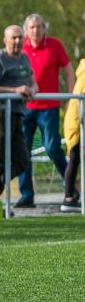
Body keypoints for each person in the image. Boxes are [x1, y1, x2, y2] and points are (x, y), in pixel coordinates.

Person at [16, 13, 74, 208]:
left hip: (49, 106)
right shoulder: (19, 46)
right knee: (23, 151)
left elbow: (68, 69)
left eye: (39, 26)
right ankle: (26, 195)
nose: (36, 30)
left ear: (44, 28)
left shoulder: (54, 45)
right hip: (25, 108)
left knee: (52, 148)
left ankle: (71, 186)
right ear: (26, 30)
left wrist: (70, 97)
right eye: (32, 27)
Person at [0, 25, 36, 215]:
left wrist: (32, 91)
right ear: (6, 39)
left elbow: (32, 81)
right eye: (14, 38)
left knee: (22, 160)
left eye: (20, 38)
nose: (17, 41)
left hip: (19, 112)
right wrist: (15, 91)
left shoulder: (25, 58)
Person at [61, 58, 85, 212]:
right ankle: (69, 198)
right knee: (75, 157)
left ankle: (69, 197)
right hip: (77, 122)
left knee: (75, 158)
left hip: (76, 120)